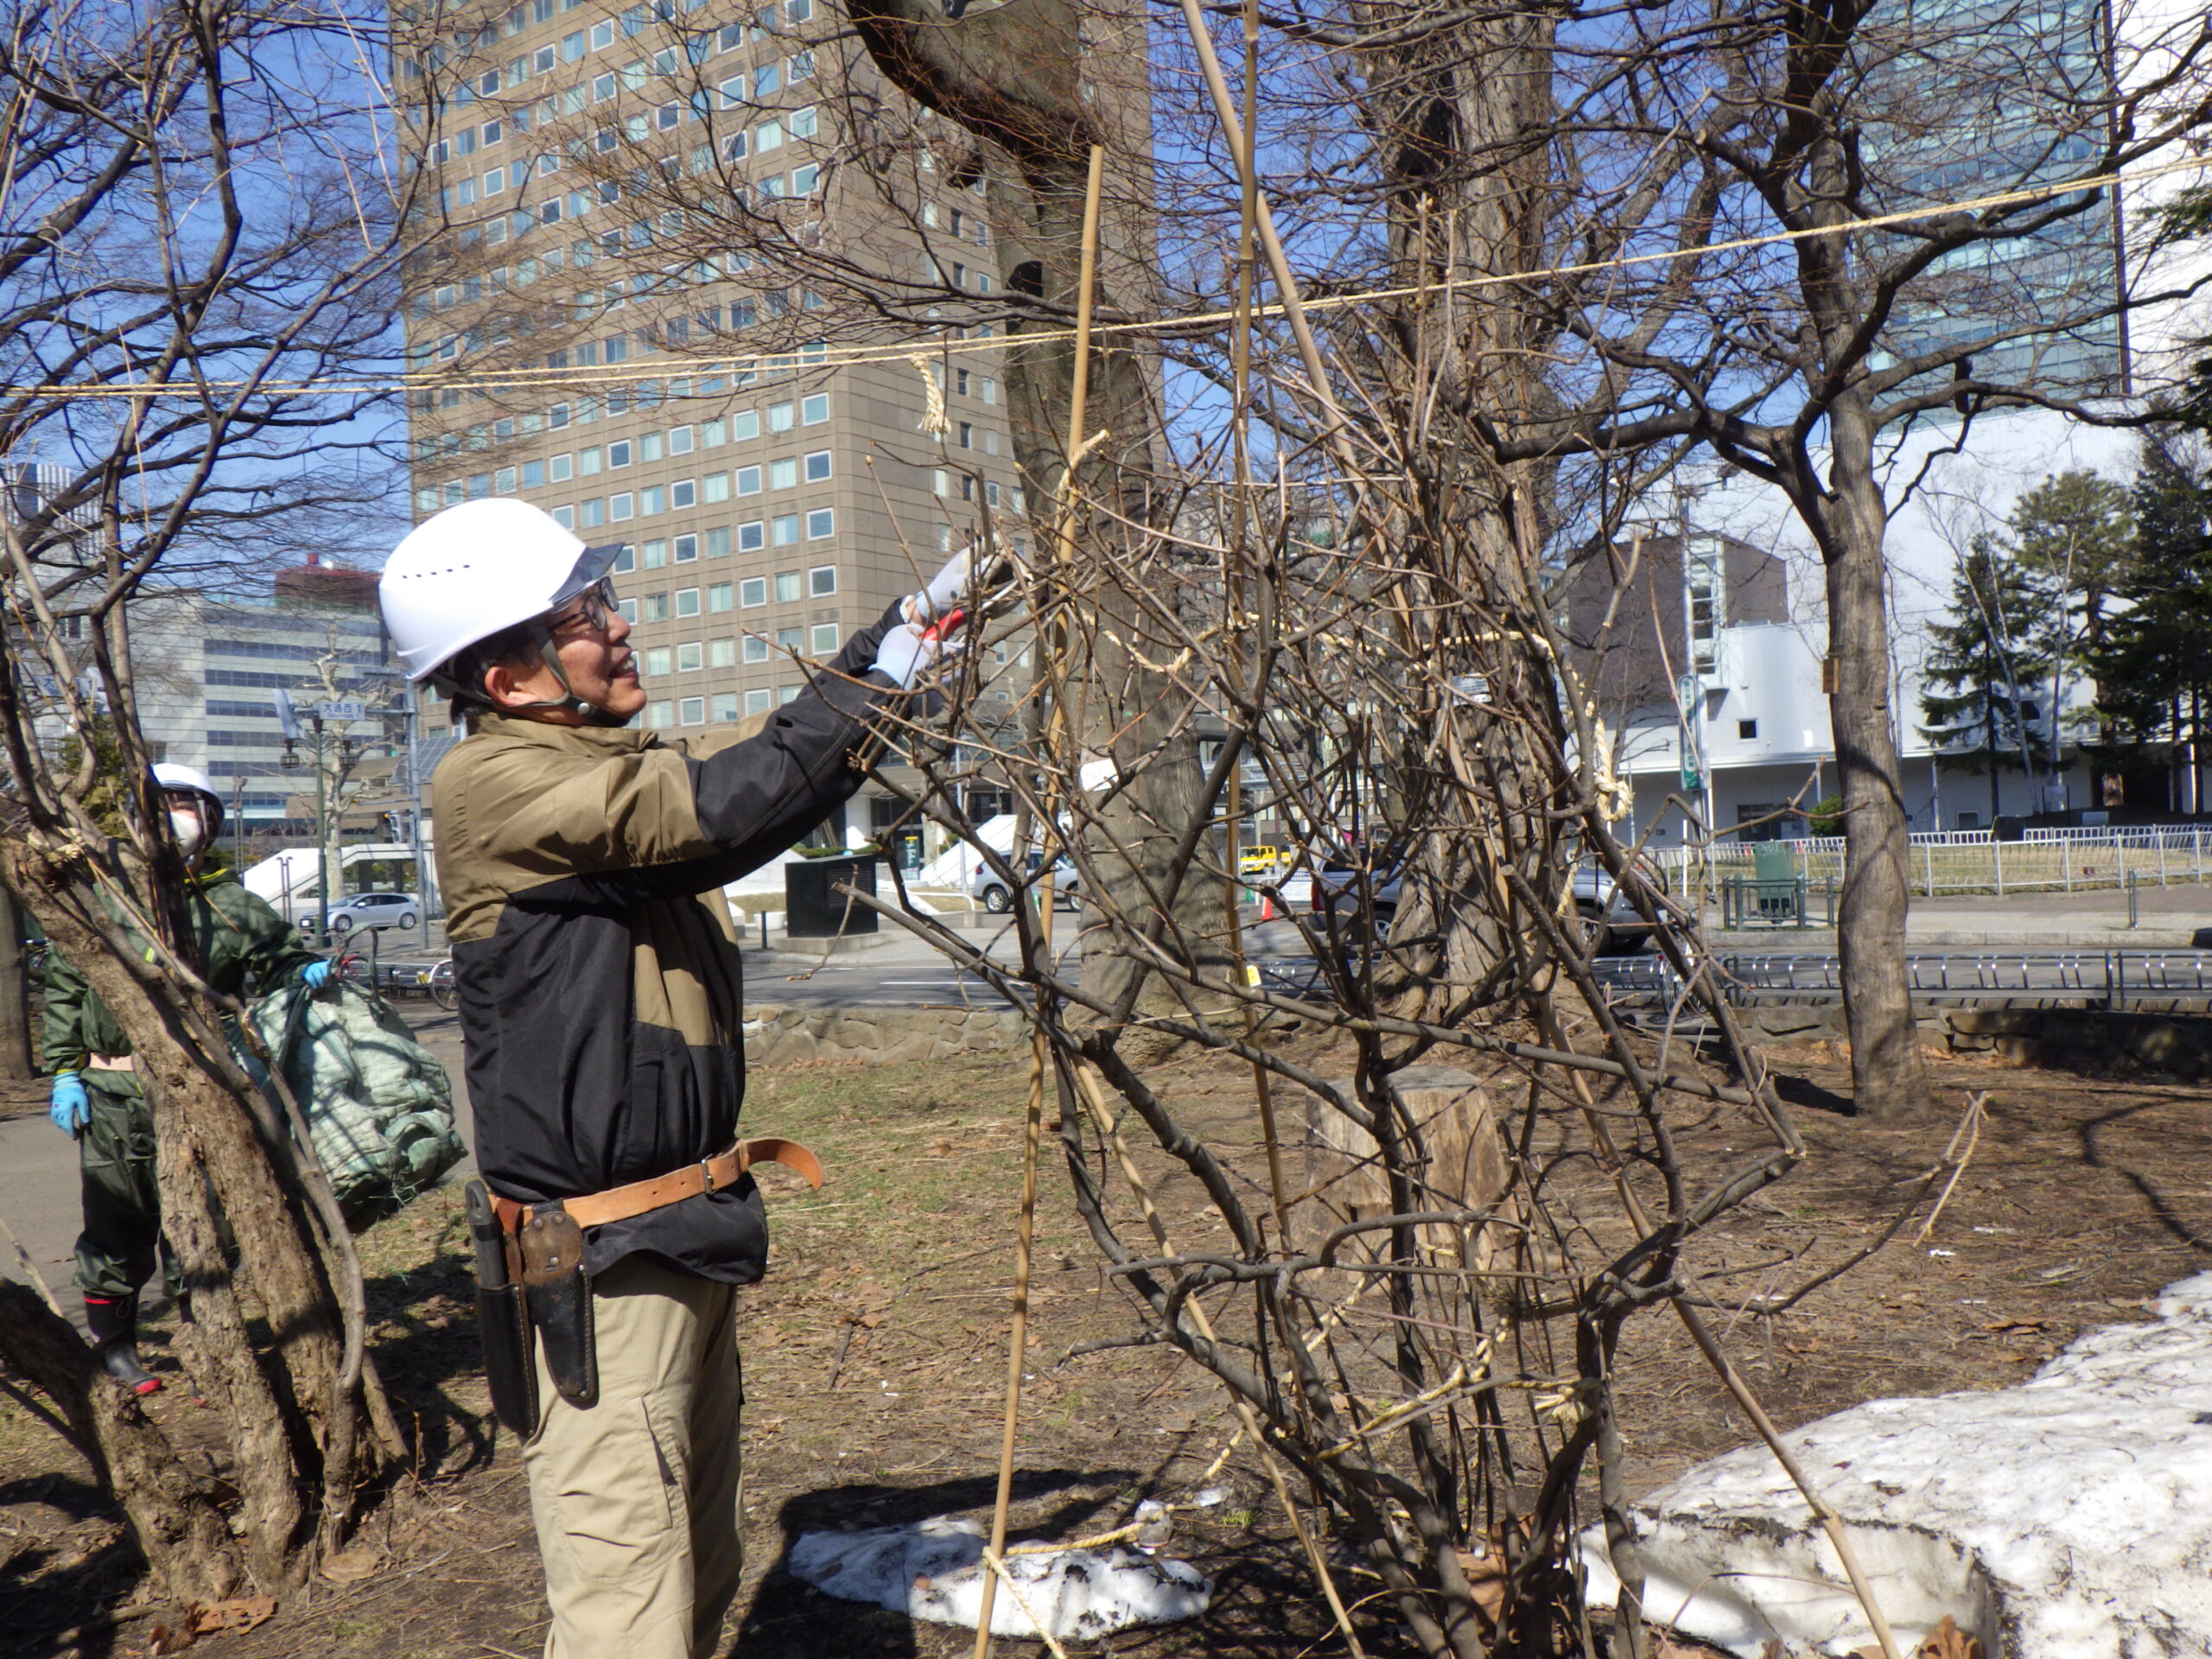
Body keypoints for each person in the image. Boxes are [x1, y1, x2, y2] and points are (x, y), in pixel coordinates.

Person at [378, 498, 981, 1659]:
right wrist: (895, 673)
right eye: (585, 615)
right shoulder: (493, 785)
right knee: (628, 1626)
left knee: (692, 1592)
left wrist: (890, 636)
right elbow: (721, 809)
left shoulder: (589, 763)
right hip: (600, 1272)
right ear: (508, 680)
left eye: (603, 600)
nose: (619, 625)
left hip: (681, 1236)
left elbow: (739, 765)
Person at [44, 764, 334, 1394]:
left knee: (202, 1224)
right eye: (161, 803)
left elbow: (281, 959)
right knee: (117, 1221)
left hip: (202, 1088)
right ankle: (116, 1347)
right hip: (112, 1092)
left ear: (211, 820)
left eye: (187, 804)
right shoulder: (104, 897)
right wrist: (65, 1073)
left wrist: (305, 971)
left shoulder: (230, 904)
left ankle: (206, 1338)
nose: (173, 815)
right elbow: (69, 986)